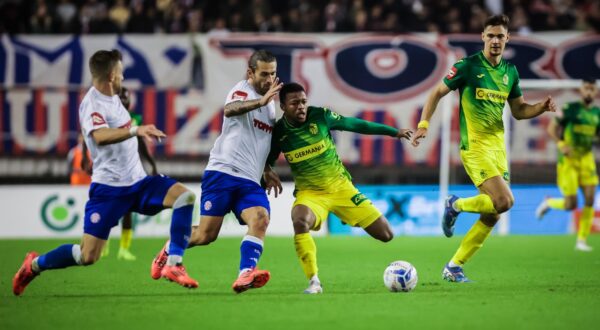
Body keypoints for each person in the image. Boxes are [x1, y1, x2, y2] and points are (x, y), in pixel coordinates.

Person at [12, 49, 198, 296]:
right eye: (121, 71)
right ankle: (33, 265)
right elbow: (99, 137)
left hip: (139, 182)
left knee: (185, 197)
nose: (123, 76)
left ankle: (173, 264)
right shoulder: (92, 105)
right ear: (111, 75)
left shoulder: (114, 97)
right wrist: (135, 130)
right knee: (87, 255)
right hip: (109, 190)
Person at [411, 14, 557, 283]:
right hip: (475, 147)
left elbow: (519, 111)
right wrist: (424, 124)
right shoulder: (467, 66)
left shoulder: (509, 73)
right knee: (505, 201)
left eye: (500, 36)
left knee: (492, 214)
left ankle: (454, 266)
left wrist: (541, 108)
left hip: (498, 149)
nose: (495, 41)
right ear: (483, 37)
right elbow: (435, 93)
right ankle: (455, 204)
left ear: (507, 39)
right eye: (490, 35)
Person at [149, 49, 283, 294]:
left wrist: (266, 169)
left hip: (250, 180)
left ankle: (245, 274)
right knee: (206, 235)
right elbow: (231, 109)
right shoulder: (243, 90)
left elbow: (257, 139)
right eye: (264, 74)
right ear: (250, 73)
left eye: (273, 74)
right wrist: (260, 101)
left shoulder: (270, 105)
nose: (269, 79)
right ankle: (168, 251)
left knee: (261, 219)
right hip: (223, 173)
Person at [266, 82, 413, 294]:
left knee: (386, 235)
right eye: (295, 103)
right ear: (283, 106)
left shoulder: (320, 116)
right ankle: (314, 281)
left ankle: (346, 213)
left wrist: (394, 132)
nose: (301, 107)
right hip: (311, 194)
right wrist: (266, 170)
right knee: (299, 221)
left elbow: (355, 124)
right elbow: (267, 159)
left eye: (304, 102)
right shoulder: (279, 133)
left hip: (342, 188)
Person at [93, 87, 159, 261]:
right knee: (108, 210)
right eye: (120, 97)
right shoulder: (106, 116)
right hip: (110, 170)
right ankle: (102, 245)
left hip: (130, 171)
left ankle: (124, 248)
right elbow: (93, 136)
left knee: (128, 210)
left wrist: (151, 163)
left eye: (126, 97)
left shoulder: (134, 119)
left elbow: (140, 143)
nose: (124, 100)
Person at [535, 79, 600, 252]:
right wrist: (561, 144)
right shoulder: (570, 109)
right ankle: (549, 203)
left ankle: (581, 241)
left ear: (595, 92)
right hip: (568, 161)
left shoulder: (597, 113)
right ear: (581, 90)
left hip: (586, 159)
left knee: (590, 199)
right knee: (571, 204)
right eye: (586, 88)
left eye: (591, 89)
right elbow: (551, 129)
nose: (588, 92)